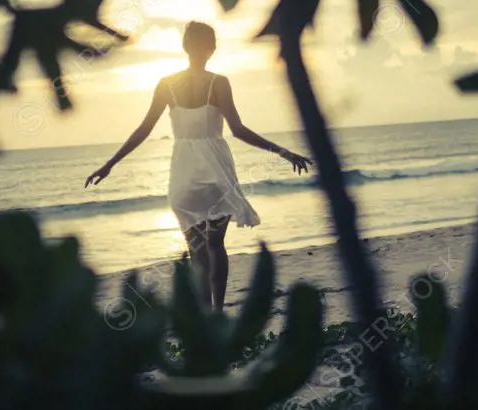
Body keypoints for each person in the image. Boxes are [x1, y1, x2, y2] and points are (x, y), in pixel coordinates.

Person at [85, 21, 313, 311]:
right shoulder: (219, 83)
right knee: (216, 246)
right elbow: (239, 130)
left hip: (183, 174)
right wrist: (284, 152)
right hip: (216, 170)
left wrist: (110, 164)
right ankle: (217, 311)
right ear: (212, 48)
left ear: (184, 47)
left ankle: (205, 314)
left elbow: (143, 129)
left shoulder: (166, 84)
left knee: (197, 251)